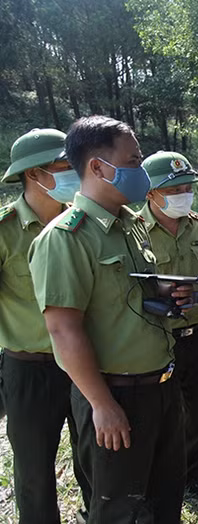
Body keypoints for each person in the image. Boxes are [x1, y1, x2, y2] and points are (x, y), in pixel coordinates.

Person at [29, 116, 186, 523]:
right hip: (117, 397)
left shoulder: (130, 225)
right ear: (98, 167)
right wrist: (102, 404)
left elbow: (129, 296)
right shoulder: (66, 238)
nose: (140, 170)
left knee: (166, 496)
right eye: (133, 161)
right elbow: (63, 330)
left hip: (161, 387)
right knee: (120, 509)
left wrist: (168, 295)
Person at [0, 128, 90, 522]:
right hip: (30, 367)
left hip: (87, 362)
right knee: (34, 470)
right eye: (63, 166)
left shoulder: (86, 222)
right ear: (34, 175)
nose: (73, 173)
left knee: (96, 458)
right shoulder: (4, 232)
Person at [139, 151, 198, 501]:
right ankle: (161, 481)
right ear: (150, 193)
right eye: (173, 188)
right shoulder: (133, 231)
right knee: (161, 414)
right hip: (159, 337)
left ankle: (197, 474)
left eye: (186, 186)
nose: (182, 194)